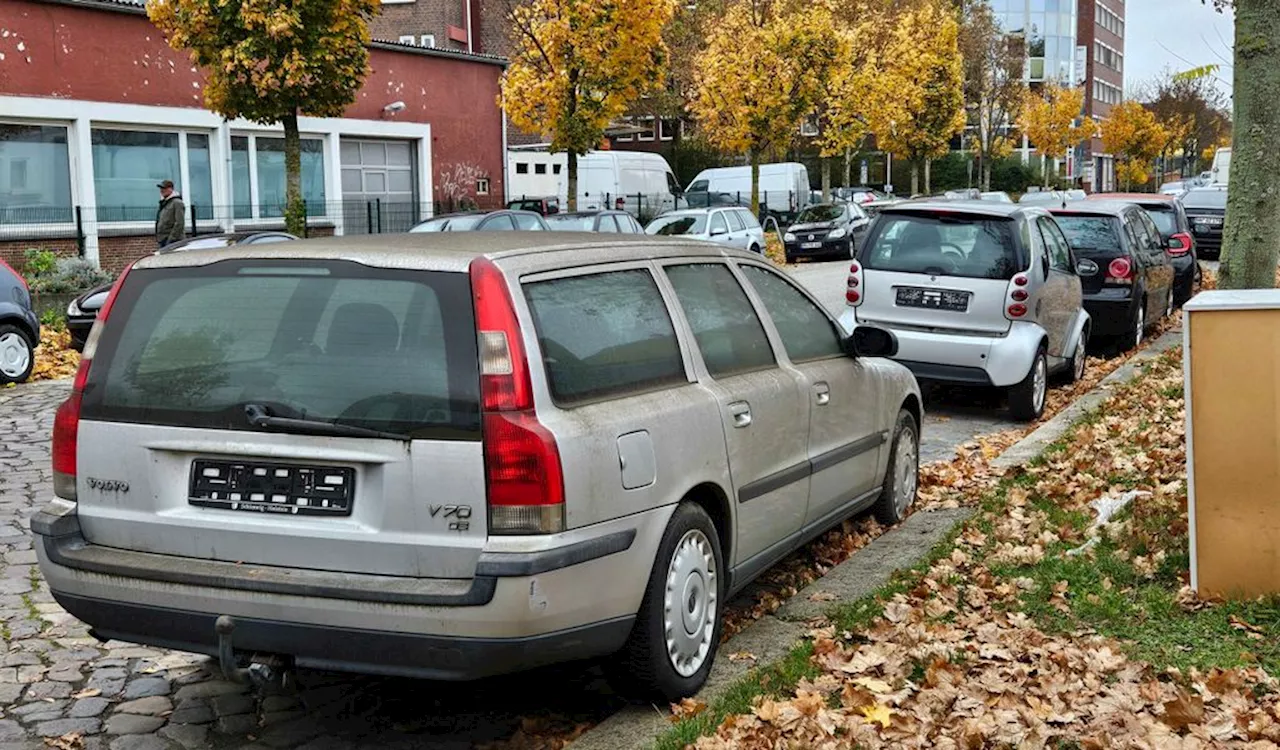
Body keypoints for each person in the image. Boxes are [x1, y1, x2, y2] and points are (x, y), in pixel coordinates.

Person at [155, 180, 186, 249]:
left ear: (170, 189)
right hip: (163, 240)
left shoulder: (177, 203)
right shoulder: (165, 202)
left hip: (174, 241)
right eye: (161, 188)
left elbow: (179, 223)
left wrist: (171, 240)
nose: (161, 190)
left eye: (164, 188)